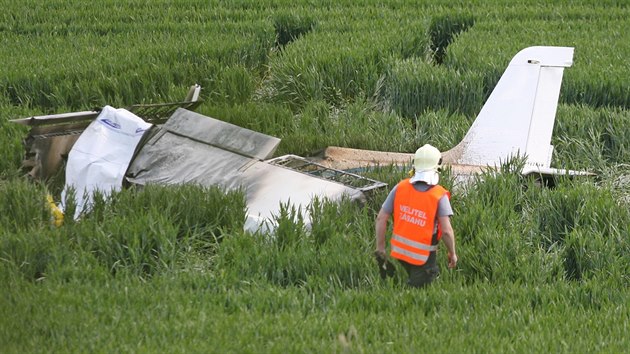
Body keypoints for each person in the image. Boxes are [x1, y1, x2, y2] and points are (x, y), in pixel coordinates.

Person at [374, 144, 457, 288]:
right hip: (423, 257)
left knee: (415, 277)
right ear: (437, 166)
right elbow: (446, 231)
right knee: (422, 289)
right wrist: (452, 253)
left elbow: (381, 218)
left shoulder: (400, 187)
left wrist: (380, 248)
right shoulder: (438, 195)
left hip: (400, 253)